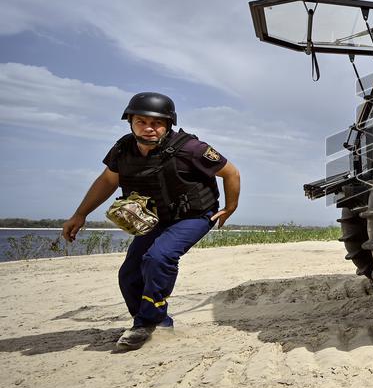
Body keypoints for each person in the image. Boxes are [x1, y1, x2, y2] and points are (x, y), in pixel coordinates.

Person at [61, 92, 241, 351]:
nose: (148, 128)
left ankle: (146, 323)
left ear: (168, 124)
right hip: (157, 219)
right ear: (131, 123)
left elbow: (231, 172)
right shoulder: (123, 149)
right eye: (141, 122)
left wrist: (230, 207)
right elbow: (108, 181)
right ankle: (154, 322)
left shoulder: (191, 149)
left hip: (194, 216)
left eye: (156, 123)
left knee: (158, 257)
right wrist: (80, 214)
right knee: (129, 273)